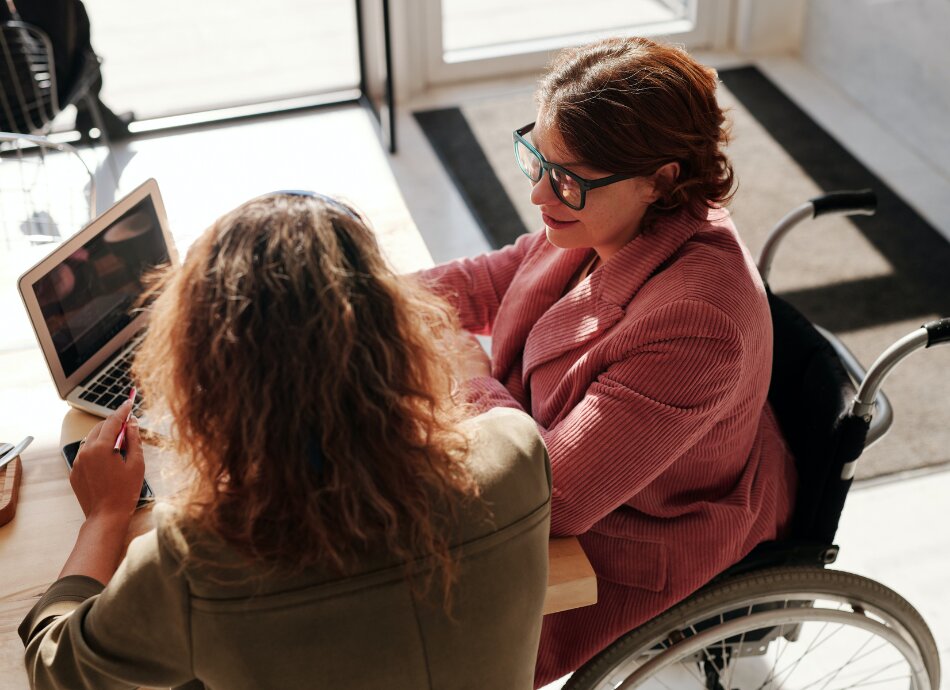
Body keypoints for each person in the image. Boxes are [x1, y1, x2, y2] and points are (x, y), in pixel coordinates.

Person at [19, 192, 553, 689]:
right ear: (398, 331)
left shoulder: (196, 559)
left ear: (206, 374)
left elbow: (55, 670)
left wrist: (106, 516)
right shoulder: (516, 450)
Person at [418, 36, 798, 687]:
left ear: (662, 179)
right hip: (560, 452)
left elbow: (554, 498)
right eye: (534, 157)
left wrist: (466, 370)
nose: (539, 194)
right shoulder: (600, 212)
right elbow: (492, 279)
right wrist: (356, 294)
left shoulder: (695, 325)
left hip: (628, 541)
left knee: (416, 619)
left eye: (564, 178)